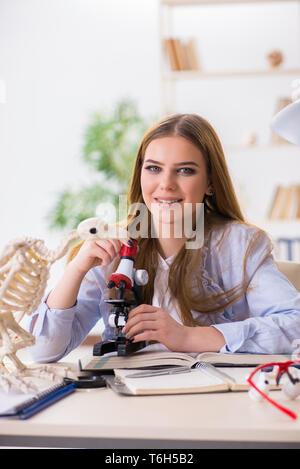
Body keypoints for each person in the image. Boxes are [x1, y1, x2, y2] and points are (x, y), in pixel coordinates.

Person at [26, 113, 300, 363]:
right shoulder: (114, 247)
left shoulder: (241, 245)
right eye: (154, 168)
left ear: (210, 183)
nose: (166, 184)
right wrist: (76, 269)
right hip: (127, 400)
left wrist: (188, 337)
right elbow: (41, 351)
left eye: (185, 170)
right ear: (140, 174)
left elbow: (294, 326)